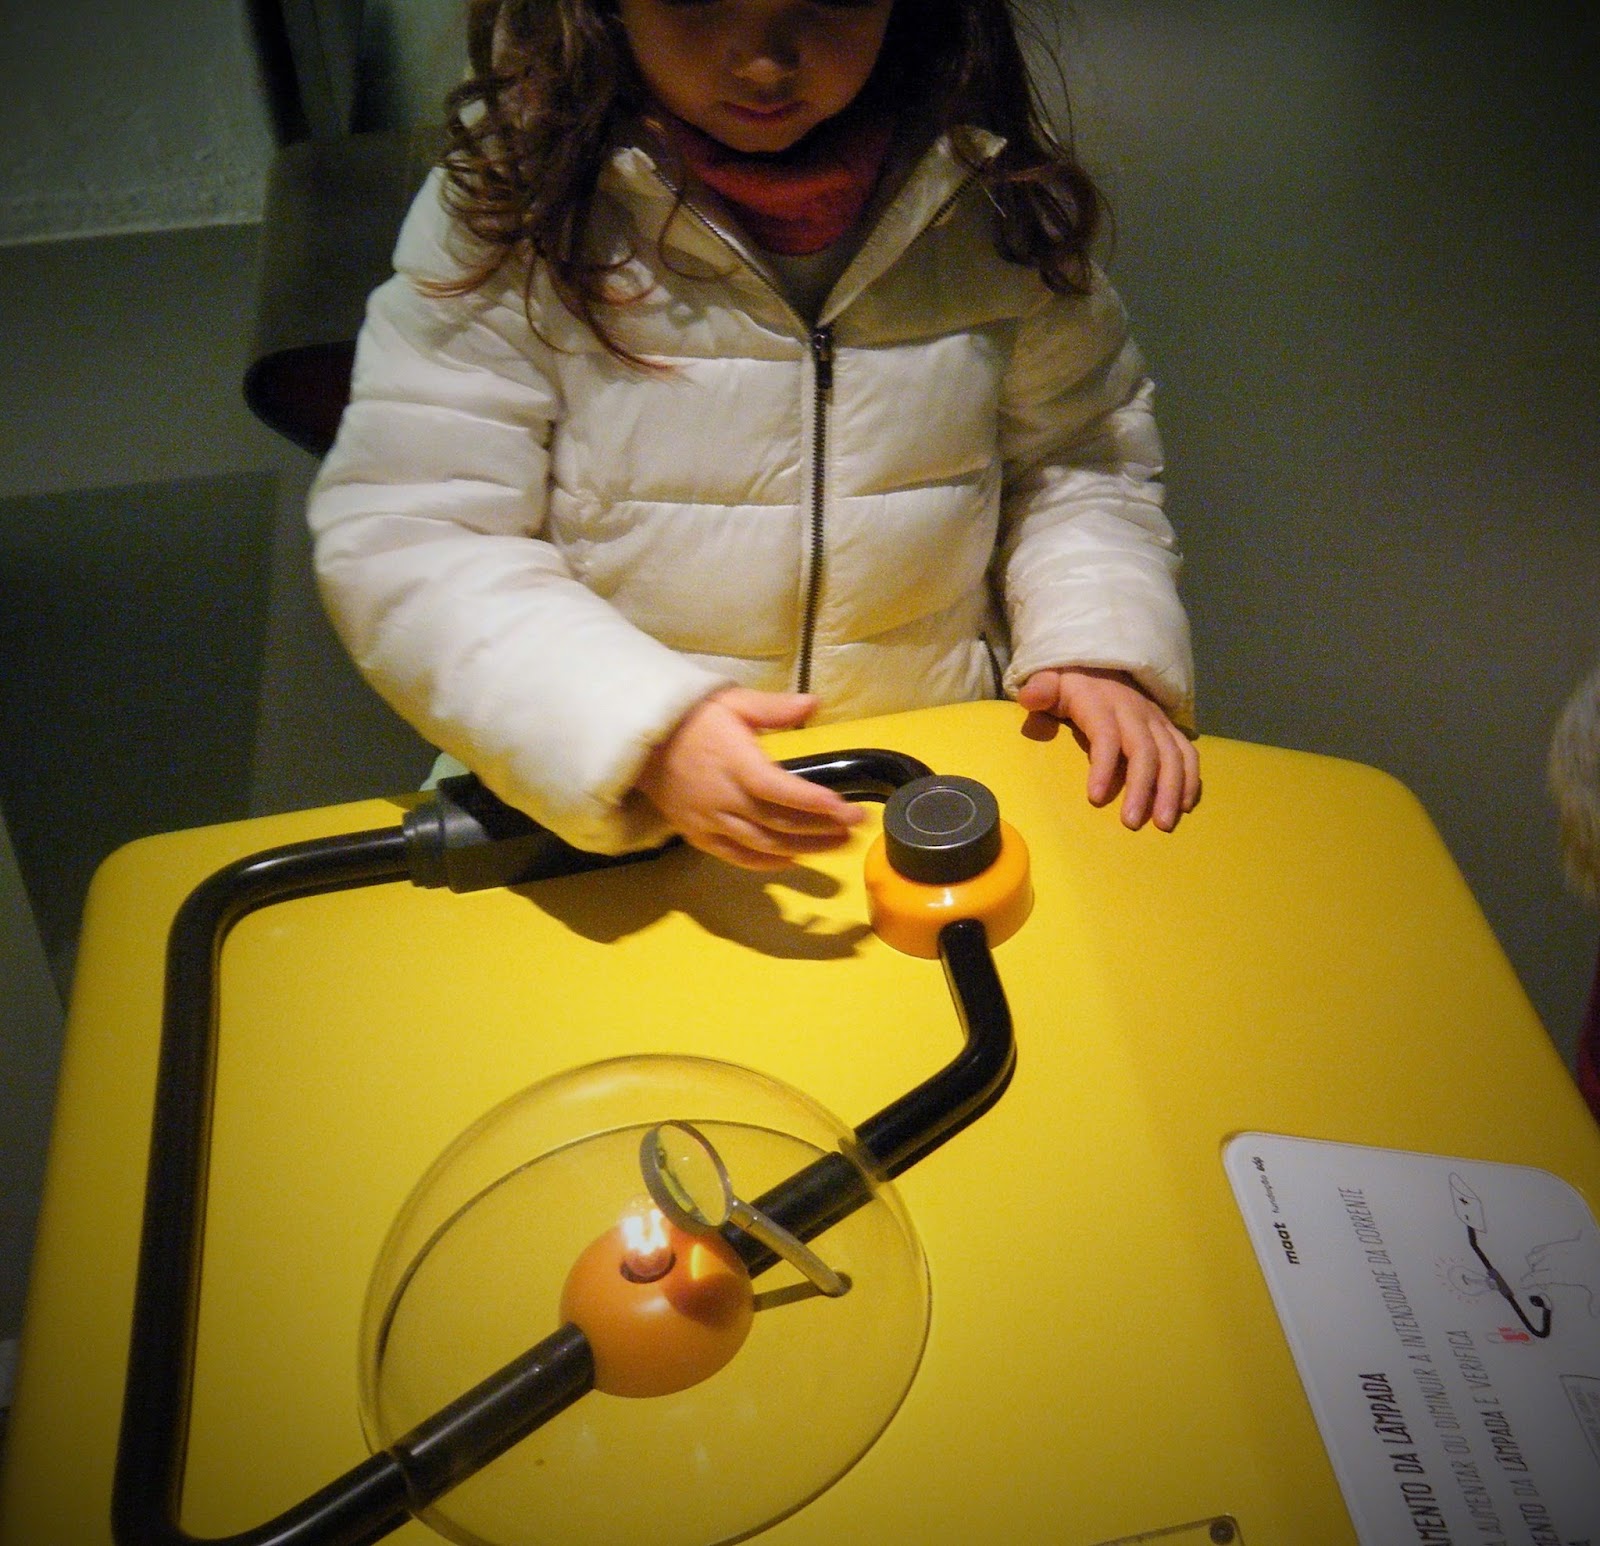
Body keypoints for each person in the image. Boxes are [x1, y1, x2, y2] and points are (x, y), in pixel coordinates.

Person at [308, 0, 1199, 872]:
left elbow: (1078, 455)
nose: (766, 61)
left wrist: (1095, 637)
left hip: (915, 782)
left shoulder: (993, 197)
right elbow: (416, 532)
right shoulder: (516, 210)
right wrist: (637, 728)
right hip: (608, 807)